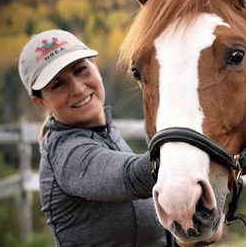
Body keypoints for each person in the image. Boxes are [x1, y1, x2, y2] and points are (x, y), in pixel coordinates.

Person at [18, 29, 166, 246]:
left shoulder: (106, 133)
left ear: (95, 66)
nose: (78, 89)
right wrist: (192, 142)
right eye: (57, 84)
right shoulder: (67, 153)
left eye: (80, 70)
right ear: (40, 102)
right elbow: (134, 176)